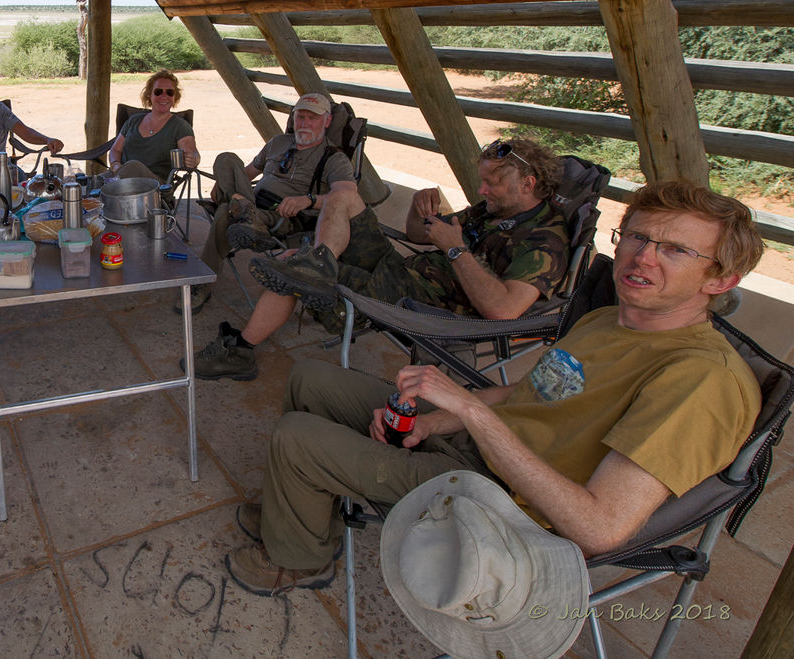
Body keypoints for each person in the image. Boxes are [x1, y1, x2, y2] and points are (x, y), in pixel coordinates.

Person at [223, 178, 763, 599]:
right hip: (481, 451)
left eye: (675, 250)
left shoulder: (700, 381)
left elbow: (599, 528)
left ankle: (298, 560)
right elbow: (522, 396)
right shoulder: (611, 322)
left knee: (298, 437)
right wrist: (439, 419)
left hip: (505, 506)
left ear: (720, 280)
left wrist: (470, 413)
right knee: (309, 378)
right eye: (639, 237)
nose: (642, 257)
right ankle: (293, 519)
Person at [191, 138, 568, 381]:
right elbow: (420, 236)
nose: (481, 190)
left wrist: (455, 249)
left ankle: (241, 349)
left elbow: (503, 312)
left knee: (292, 262)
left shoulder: (545, 241)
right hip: (401, 270)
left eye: (492, 184)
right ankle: (319, 260)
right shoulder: (492, 211)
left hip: (419, 303)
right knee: (343, 200)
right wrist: (419, 213)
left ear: (528, 184)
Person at [183, 92, 357, 315]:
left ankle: (203, 282)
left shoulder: (334, 158)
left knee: (226, 212)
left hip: (281, 216)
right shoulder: (278, 142)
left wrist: (309, 200)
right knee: (226, 158)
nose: (304, 123)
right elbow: (247, 172)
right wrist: (225, 184)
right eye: (300, 117)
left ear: (327, 121)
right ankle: (245, 213)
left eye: (312, 118)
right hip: (253, 198)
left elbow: (348, 196)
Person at [105, 70, 200, 181]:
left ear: (175, 97)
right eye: (158, 91)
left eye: (169, 92)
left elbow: (193, 154)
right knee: (90, 184)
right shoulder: (133, 121)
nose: (164, 96)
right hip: (119, 176)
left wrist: (193, 160)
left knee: (134, 166)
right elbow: (115, 150)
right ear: (149, 94)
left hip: (153, 186)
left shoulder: (179, 126)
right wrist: (116, 165)